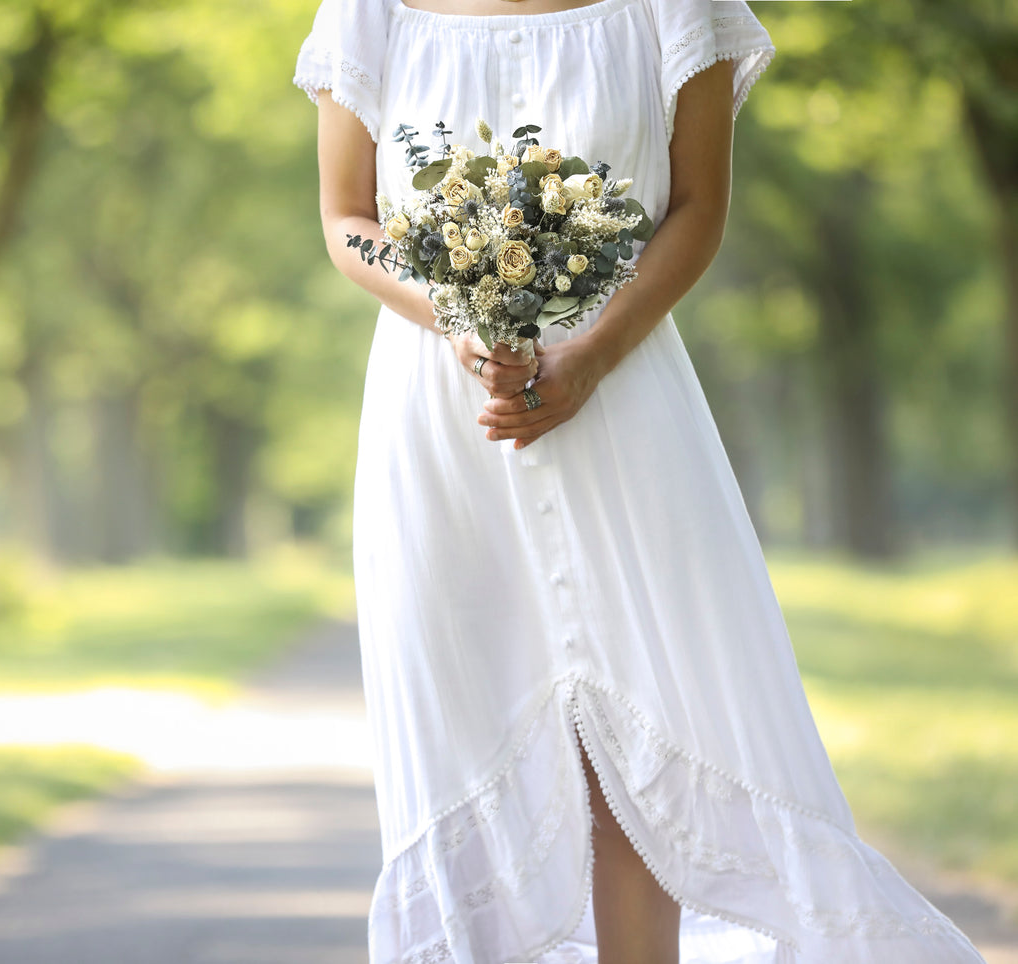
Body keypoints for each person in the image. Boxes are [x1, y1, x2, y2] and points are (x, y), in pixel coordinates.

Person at [292, 1, 993, 962]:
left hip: (620, 399)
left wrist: (588, 352)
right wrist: (457, 316)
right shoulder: (368, 13)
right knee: (465, 717)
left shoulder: (675, 6)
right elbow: (346, 218)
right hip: (439, 414)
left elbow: (697, 206)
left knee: (640, 718)